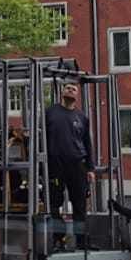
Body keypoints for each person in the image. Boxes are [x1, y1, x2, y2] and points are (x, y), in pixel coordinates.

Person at [44, 84, 92, 233]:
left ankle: (81, 242)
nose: (70, 90)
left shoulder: (82, 117)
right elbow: (41, 138)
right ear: (62, 92)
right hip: (55, 165)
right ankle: (59, 237)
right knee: (52, 203)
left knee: (80, 205)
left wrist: (90, 168)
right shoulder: (50, 113)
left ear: (77, 95)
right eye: (67, 88)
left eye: (74, 89)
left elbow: (87, 143)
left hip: (77, 165)